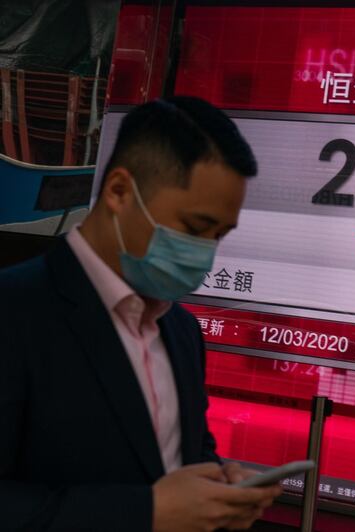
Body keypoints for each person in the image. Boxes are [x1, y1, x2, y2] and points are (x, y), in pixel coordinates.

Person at [0, 96, 281, 531]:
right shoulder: (15, 312)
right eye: (194, 228)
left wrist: (219, 482)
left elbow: (180, 454)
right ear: (118, 191)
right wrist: (146, 513)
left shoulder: (182, 331)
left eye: (220, 235)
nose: (205, 253)